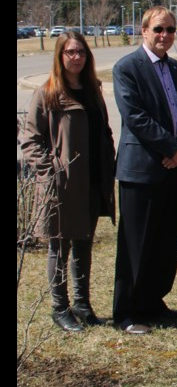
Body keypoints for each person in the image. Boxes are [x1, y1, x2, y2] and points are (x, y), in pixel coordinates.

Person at [21, 32, 116, 332]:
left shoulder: (92, 91)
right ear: (60, 56)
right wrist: (52, 172)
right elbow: (30, 142)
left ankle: (82, 305)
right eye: (70, 52)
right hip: (61, 185)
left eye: (81, 52)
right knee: (59, 248)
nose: (76, 57)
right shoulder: (47, 94)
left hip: (91, 181)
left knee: (84, 245)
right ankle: (59, 308)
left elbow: (104, 132)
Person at [112, 6, 177, 335]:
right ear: (144, 31)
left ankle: (153, 301)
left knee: (165, 240)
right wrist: (172, 148)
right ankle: (128, 311)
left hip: (175, 168)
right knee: (137, 242)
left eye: (171, 30)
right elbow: (135, 117)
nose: (165, 36)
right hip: (142, 170)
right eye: (159, 29)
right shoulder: (127, 68)